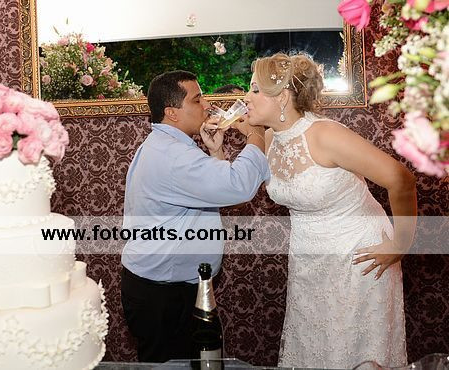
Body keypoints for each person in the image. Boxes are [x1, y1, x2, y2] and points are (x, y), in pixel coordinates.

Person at [234, 52, 416, 368]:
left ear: (282, 97)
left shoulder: (325, 134)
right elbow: (240, 184)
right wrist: (219, 147)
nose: (245, 97)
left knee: (353, 351)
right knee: (316, 348)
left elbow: (400, 179)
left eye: (255, 89)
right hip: (308, 259)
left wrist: (402, 243)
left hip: (358, 256)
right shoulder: (269, 137)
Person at [121, 70, 270, 363]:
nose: (207, 105)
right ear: (172, 112)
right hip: (163, 293)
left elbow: (215, 192)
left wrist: (215, 151)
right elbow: (238, 186)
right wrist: (256, 135)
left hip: (163, 286)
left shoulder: (167, 146)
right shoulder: (174, 157)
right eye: (197, 99)